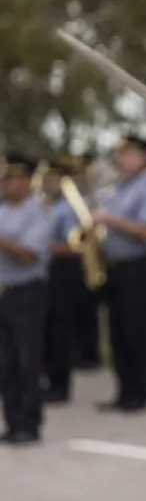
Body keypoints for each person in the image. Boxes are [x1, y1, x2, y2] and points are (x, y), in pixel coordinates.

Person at [91, 134, 146, 412]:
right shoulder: (116, 188)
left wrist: (111, 220)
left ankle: (139, 394)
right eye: (121, 154)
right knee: (118, 333)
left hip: (138, 267)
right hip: (115, 267)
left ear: (143, 158)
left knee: (138, 332)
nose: (124, 159)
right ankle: (123, 392)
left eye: (131, 154)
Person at [0, 153, 52, 445]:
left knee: (27, 360)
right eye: (9, 177)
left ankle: (30, 424)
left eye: (18, 178)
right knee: (5, 363)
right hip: (4, 293)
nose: (11, 183)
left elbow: (29, 254)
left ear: (29, 180)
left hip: (27, 292)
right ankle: (12, 421)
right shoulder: (3, 208)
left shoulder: (39, 210)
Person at [43, 155, 84, 404]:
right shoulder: (49, 206)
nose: (48, 184)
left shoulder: (69, 207)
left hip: (64, 271)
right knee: (49, 331)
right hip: (49, 271)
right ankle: (51, 380)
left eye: (53, 179)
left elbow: (73, 246)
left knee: (61, 332)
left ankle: (61, 385)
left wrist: (40, 246)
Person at [72, 150, 103, 370]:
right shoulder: (73, 190)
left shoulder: (96, 189)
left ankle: (91, 353)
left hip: (96, 251)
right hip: (77, 254)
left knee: (89, 308)